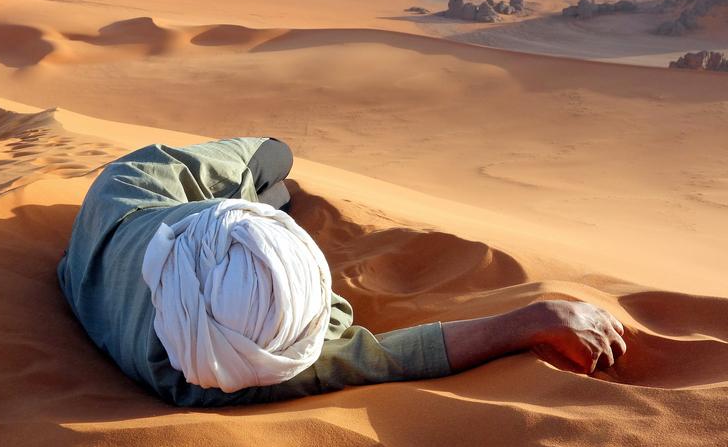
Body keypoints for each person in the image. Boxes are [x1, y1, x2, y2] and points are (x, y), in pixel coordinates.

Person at [57, 137, 627, 407]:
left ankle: (257, 198)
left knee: (272, 164)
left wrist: (531, 321)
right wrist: (535, 319)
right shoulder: (236, 370)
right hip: (136, 238)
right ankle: (263, 199)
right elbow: (394, 358)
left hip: (131, 198)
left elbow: (383, 355)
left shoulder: (203, 369)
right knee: (274, 162)